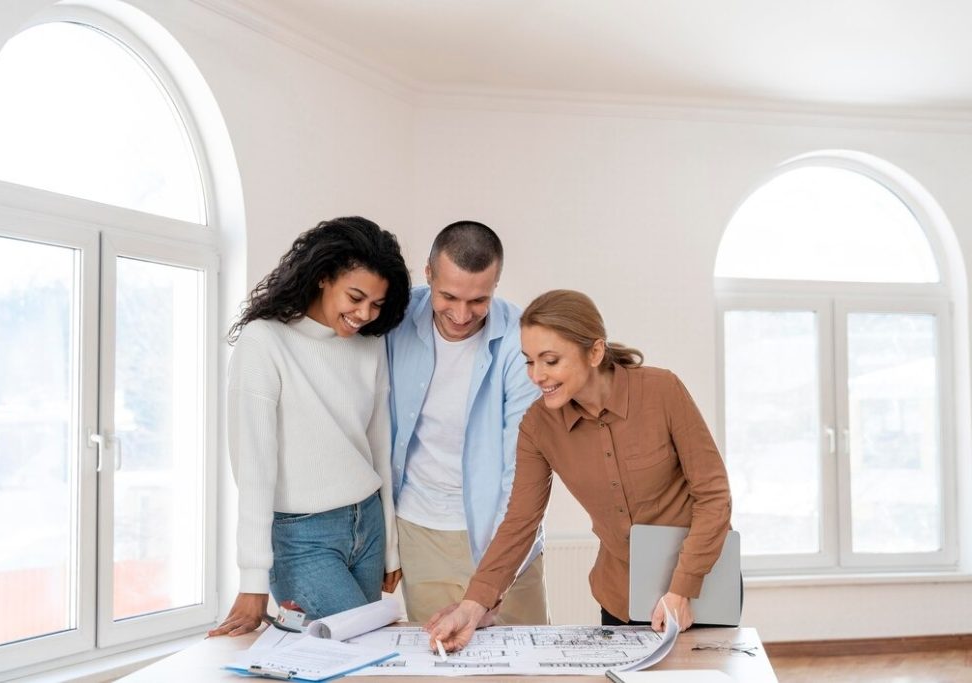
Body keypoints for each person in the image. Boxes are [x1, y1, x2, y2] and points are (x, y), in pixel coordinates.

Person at [428, 289, 732, 651]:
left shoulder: (662, 390)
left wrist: (682, 588)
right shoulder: (538, 426)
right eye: (529, 361)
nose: (537, 375)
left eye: (550, 360)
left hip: (701, 591)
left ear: (595, 352)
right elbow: (519, 523)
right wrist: (474, 605)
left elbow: (714, 497)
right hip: (621, 599)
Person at [208, 216, 411, 637]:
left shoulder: (370, 344)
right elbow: (255, 469)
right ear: (323, 278)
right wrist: (252, 582)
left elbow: (379, 445)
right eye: (355, 297)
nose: (364, 314)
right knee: (367, 657)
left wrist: (390, 545)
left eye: (375, 304)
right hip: (303, 538)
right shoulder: (263, 342)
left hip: (368, 523)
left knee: (354, 661)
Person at [387, 221, 548, 625]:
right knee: (439, 661)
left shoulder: (520, 338)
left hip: (502, 533)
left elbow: (522, 463)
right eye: (449, 296)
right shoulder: (396, 320)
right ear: (428, 274)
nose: (461, 315)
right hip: (420, 528)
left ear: (496, 283)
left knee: (521, 666)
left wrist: (497, 568)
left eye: (479, 300)